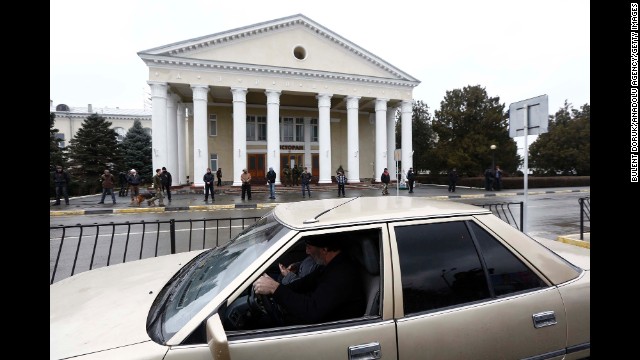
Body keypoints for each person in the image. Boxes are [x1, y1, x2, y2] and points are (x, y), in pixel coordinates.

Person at [252, 236, 365, 325]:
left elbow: (311, 311)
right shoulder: (329, 266)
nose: (306, 252)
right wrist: (274, 289)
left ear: (324, 249)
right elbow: (303, 284)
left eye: (309, 247)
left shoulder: (342, 275)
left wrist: (275, 288)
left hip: (328, 331)